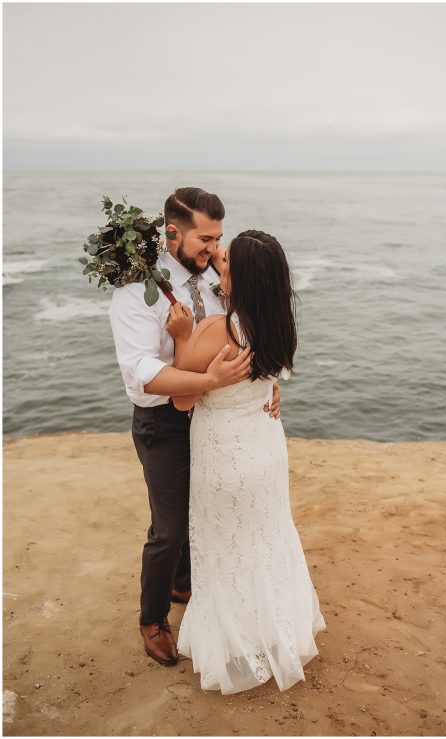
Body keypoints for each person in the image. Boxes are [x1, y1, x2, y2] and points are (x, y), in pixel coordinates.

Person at [109, 187, 280, 667]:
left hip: (215, 418)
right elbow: (141, 374)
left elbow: (247, 330)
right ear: (172, 232)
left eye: (218, 239)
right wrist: (207, 381)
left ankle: (184, 582)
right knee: (168, 528)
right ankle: (152, 619)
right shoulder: (136, 292)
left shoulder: (220, 279)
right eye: (205, 239)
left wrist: (266, 384)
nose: (213, 249)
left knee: (203, 509)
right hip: (163, 420)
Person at [167, 230, 325, 694]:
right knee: (266, 539)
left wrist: (181, 339)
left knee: (225, 547)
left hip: (223, 453)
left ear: (243, 277)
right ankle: (275, 631)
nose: (219, 262)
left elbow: (181, 399)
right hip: (265, 447)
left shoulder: (217, 329)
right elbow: (271, 378)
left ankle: (238, 643)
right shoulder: (278, 324)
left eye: (227, 262)